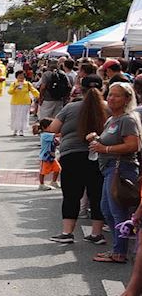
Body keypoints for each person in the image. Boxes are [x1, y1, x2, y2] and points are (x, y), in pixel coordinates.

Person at [45, 76, 107, 244]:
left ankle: (67, 233)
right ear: (102, 88)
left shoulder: (70, 108)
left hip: (71, 156)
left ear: (81, 88)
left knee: (71, 195)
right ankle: (96, 234)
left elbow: (53, 129)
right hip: (99, 156)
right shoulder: (107, 108)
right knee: (97, 195)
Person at [86, 83, 139, 264]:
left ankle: (119, 252)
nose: (111, 98)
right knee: (107, 210)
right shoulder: (112, 119)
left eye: (117, 95)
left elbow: (133, 145)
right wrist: (96, 139)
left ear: (127, 99)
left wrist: (105, 148)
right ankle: (118, 248)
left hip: (120, 169)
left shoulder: (127, 120)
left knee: (117, 211)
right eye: (110, 94)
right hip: (110, 168)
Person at [35, 118, 61, 192]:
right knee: (43, 171)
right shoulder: (44, 135)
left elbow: (56, 142)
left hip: (52, 156)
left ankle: (54, 182)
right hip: (45, 156)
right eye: (51, 126)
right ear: (44, 127)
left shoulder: (49, 135)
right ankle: (41, 184)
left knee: (57, 169)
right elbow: (57, 135)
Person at [7, 71, 36, 136]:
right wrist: (15, 88)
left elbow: (34, 91)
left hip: (25, 102)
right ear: (16, 76)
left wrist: (39, 96)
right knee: (15, 116)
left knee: (23, 116)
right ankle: (15, 129)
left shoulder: (27, 84)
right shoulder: (14, 84)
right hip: (15, 102)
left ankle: (21, 130)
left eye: (22, 75)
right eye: (19, 75)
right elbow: (9, 92)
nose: (21, 76)